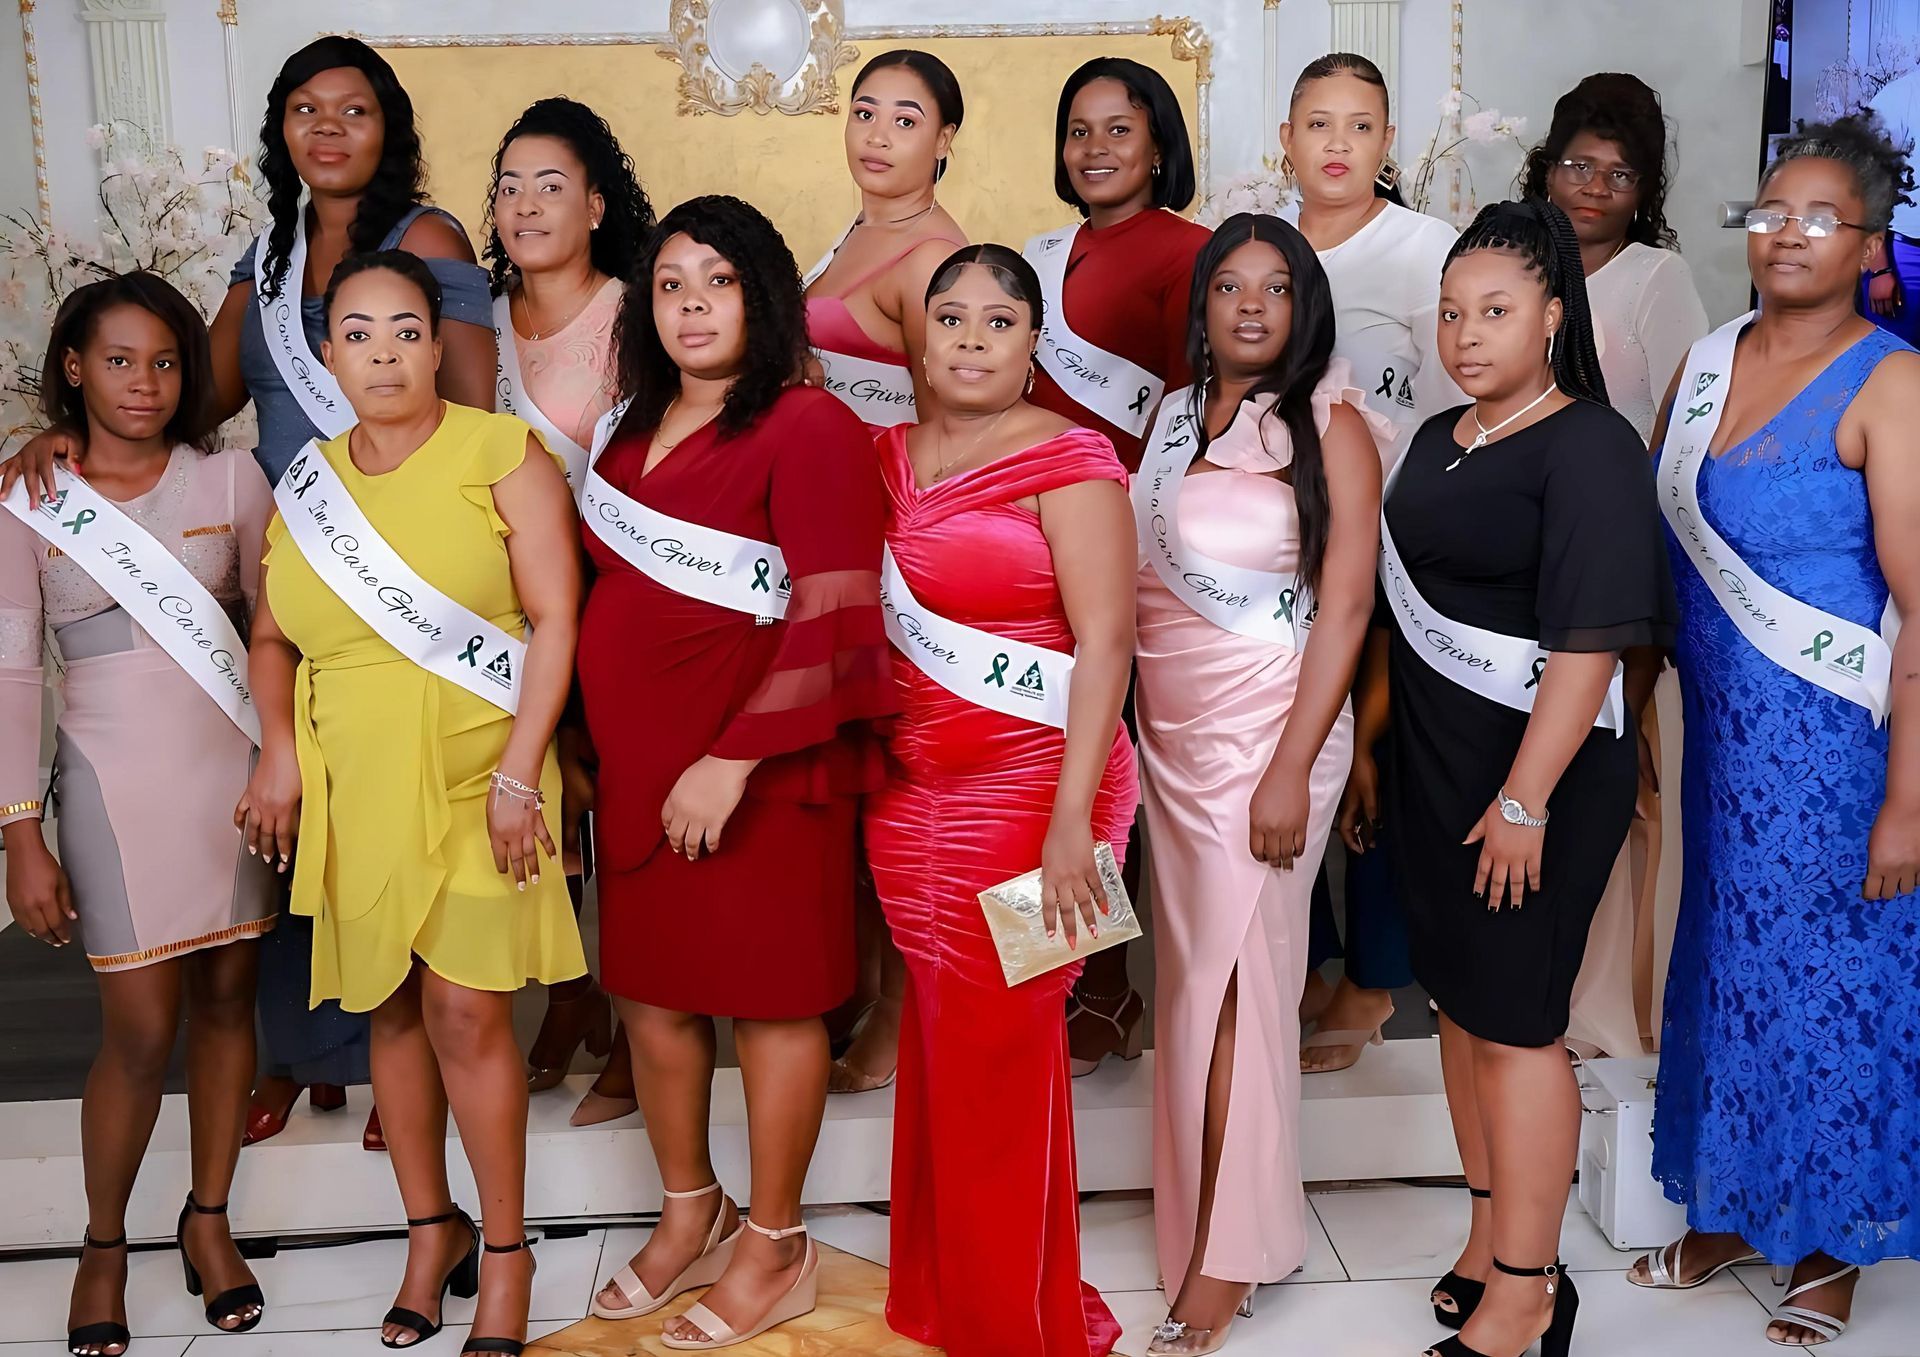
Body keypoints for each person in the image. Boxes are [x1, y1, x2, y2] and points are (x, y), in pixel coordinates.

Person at [4, 34, 499, 1148]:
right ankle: (304, 1053)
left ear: (390, 128)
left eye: (354, 110)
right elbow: (196, 393)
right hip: (283, 567)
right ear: (281, 130)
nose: (329, 129)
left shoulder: (427, 240)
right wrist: (63, 428)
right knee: (287, 808)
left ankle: (393, 1043)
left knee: (390, 808)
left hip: (401, 572)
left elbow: (473, 415)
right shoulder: (264, 258)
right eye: (305, 110)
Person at [239, 250, 584, 1357]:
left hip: (487, 768)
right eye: (356, 333)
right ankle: (431, 1234)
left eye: (403, 331)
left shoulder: (502, 453)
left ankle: (512, 1250)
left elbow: (556, 623)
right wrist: (281, 758)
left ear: (440, 346)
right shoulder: (308, 485)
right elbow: (270, 635)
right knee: (387, 1005)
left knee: (468, 1011)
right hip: (353, 776)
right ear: (327, 353)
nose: (381, 353)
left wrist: (525, 772)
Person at [580, 196, 892, 1349]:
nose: (693, 304)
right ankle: (687, 1207)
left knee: (769, 1005)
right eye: (670, 284)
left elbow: (837, 619)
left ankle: (774, 1241)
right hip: (636, 764)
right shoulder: (623, 434)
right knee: (653, 997)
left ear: (762, 297)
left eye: (718, 281)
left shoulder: (808, 426)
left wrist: (729, 760)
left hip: (758, 767)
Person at [1635, 114, 1920, 1349]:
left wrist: (1911, 799)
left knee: (1835, 987)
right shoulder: (1704, 362)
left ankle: (1833, 1240)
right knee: (1728, 971)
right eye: (1769, 211)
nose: (1786, 233)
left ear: (1868, 245)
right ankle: (1736, 1205)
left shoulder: (1894, 379)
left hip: (1840, 752)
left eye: (1817, 216)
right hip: (1721, 744)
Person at [1382, 199, 1673, 1357]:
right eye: (1452, 313)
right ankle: (1487, 1232)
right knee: (1459, 1011)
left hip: (1533, 780)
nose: (1467, 333)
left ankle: (1530, 1290)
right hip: (1437, 768)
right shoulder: (1436, 434)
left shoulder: (1588, 442)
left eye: (1496, 311)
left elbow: (1593, 644)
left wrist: (1523, 800)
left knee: (1517, 1025)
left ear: (1554, 316)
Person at [866, 244, 1138, 1357]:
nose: (972, 339)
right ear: (918, 339)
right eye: (951, 318)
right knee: (953, 1054)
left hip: (1046, 796)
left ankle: (1005, 1331)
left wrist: (1073, 823)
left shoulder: (1072, 458)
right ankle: (972, 1298)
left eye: (999, 320)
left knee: (1003, 1055)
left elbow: (1109, 641)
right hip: (910, 792)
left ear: (1035, 345)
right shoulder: (881, 454)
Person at [1, 274, 276, 1357]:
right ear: (75, 367)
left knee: (226, 1000)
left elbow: (272, 633)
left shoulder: (235, 475)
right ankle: (103, 1245)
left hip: (235, 775)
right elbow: (13, 674)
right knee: (138, 1028)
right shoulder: (29, 495)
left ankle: (207, 1221)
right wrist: (20, 830)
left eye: (166, 361)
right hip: (113, 786)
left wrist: (281, 771)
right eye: (119, 360)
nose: (146, 383)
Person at [1136, 216, 1388, 1354]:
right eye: (1228, 286)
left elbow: (1345, 608)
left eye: (1275, 288)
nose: (1249, 306)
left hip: (1270, 742)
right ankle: (1199, 1221)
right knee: (1191, 987)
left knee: (1247, 986)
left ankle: (1231, 1256)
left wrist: (1293, 762)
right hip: (1173, 744)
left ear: (1305, 306)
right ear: (1202, 304)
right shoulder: (1164, 418)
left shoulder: (1333, 425)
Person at [1280, 52, 1469, 1075]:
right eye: (1318, 124)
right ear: (1287, 140)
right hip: (1280, 551)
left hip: (1402, 544)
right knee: (1285, 742)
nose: (1338, 144)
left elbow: (1461, 404)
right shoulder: (1261, 248)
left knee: (1386, 758)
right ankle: (1307, 957)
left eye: (1360, 126)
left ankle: (1376, 974)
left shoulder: (1427, 250)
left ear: (1389, 142)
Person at [1023, 54, 1210, 1079]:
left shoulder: (1189, 252)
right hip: (1024, 547)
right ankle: (1053, 975)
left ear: (1158, 144)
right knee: (1037, 764)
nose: (1094, 149)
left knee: (1100, 773)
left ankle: (1104, 989)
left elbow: (1187, 418)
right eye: (1078, 130)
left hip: (1124, 544)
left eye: (1117, 130)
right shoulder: (1042, 256)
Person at [1523, 72, 1709, 1059]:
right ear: (1546, 168)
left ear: (1645, 188)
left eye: (1620, 172)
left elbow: (1686, 428)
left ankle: (1612, 1012)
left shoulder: (1656, 278)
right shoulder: (1516, 262)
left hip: (1616, 556)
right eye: (1578, 166)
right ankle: (1531, 986)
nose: (1594, 187)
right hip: (1517, 556)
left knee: (1616, 781)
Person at [482, 95, 654, 1126]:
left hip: (625, 591)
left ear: (595, 204)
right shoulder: (475, 324)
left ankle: (638, 1021)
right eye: (510, 186)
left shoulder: (642, 311)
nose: (527, 204)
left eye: (552, 185)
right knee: (545, 797)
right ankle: (571, 991)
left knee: (618, 800)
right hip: (515, 608)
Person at [800, 48, 966, 1097]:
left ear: (944, 140)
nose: (877, 133)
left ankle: (910, 1005)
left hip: (902, 547)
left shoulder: (936, 258)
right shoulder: (858, 230)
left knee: (909, 779)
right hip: (836, 537)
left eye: (905, 119)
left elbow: (954, 422)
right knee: (856, 775)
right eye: (865, 111)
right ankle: (863, 982)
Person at [1864, 63, 1919, 344]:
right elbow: (1865, 185)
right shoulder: (1898, 98)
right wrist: (1880, 268)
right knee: (1894, 359)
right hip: (1904, 256)